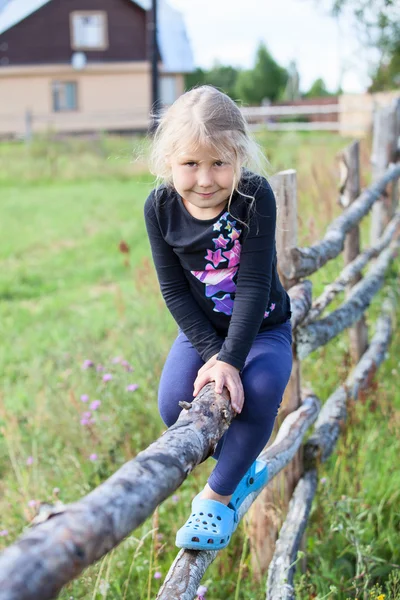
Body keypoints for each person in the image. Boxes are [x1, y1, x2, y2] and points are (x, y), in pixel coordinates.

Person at [144, 85, 292, 551]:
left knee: (261, 390)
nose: (205, 179)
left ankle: (217, 497)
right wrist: (214, 354)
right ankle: (242, 467)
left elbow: (252, 285)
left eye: (219, 163)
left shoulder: (253, 196)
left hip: (263, 327)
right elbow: (172, 289)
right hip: (203, 334)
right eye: (190, 164)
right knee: (175, 405)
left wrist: (233, 359)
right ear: (168, 159)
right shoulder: (160, 208)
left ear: (240, 157)